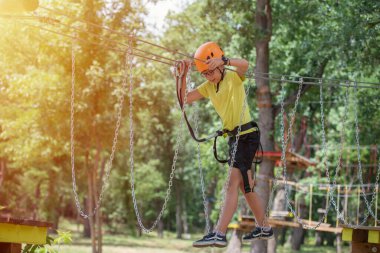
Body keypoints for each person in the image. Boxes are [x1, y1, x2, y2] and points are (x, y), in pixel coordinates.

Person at [177, 42, 273, 248]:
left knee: (231, 184)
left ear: (219, 64)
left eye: (211, 71)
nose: (209, 76)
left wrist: (225, 60)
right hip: (235, 138)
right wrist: (183, 75)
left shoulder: (232, 76)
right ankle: (264, 226)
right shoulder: (209, 87)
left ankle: (219, 233)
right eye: (204, 73)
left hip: (246, 135)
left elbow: (245, 64)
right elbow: (184, 99)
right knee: (246, 188)